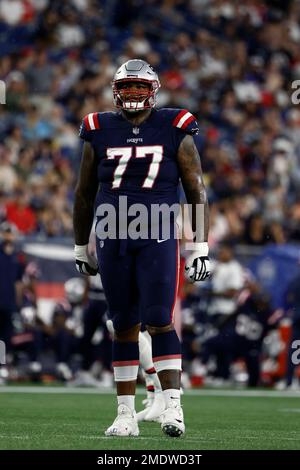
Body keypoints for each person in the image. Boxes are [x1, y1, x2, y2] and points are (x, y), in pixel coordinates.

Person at [73, 59, 210, 437]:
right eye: (127, 87)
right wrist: (81, 245)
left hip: (157, 233)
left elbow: (196, 187)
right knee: (123, 325)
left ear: (153, 90)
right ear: (117, 90)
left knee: (158, 318)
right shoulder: (98, 127)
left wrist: (199, 245)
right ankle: (124, 414)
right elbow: (84, 194)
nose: (133, 94)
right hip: (112, 234)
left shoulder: (174, 124)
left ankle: (173, 408)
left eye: (139, 87)